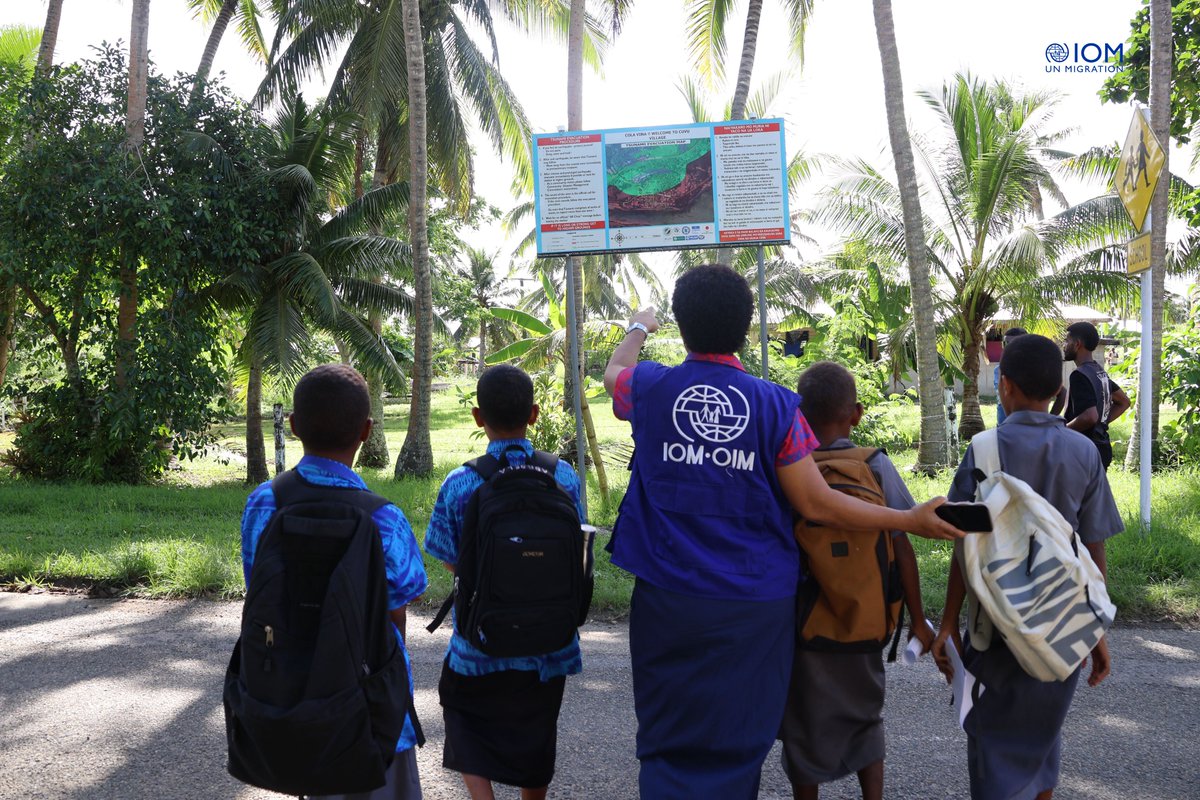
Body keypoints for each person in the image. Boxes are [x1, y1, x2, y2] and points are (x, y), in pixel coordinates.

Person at [602, 264, 964, 800]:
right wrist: (909, 519)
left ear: (681, 327)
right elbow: (818, 503)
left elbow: (614, 373)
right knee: (739, 737)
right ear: (746, 329)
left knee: (666, 732)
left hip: (667, 599)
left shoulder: (652, 386)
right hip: (756, 605)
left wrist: (638, 326)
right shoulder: (775, 406)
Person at [932, 334, 1122, 800]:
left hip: (992, 630)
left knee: (992, 746)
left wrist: (948, 624)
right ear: (1059, 393)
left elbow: (963, 540)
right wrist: (1095, 631)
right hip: (1062, 628)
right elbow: (1092, 548)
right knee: (1042, 742)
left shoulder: (983, 448)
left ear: (1006, 387)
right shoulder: (1085, 454)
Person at [240, 364, 427, 800]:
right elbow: (400, 602)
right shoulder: (384, 517)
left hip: (286, 692)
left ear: (293, 425)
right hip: (370, 710)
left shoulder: (263, 503)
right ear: (366, 430)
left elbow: (258, 585)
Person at [424, 364, 586, 800]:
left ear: (479, 417)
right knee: (537, 728)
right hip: (550, 643)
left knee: (462, 715)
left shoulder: (461, 482)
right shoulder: (564, 476)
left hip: (480, 641)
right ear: (534, 414)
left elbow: (448, 557)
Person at [780, 361, 933, 800]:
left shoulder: (792, 470)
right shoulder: (875, 465)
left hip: (804, 623)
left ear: (798, 416)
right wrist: (917, 619)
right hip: (867, 620)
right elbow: (901, 543)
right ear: (856, 414)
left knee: (802, 720)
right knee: (866, 715)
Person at [1062, 321, 1130, 469]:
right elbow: (1124, 401)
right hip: (1102, 447)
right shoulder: (1099, 372)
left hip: (1084, 450)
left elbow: (1090, 416)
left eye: (1067, 340)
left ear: (1077, 344)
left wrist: (1062, 432)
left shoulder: (1079, 375)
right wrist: (1102, 423)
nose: (1064, 345)